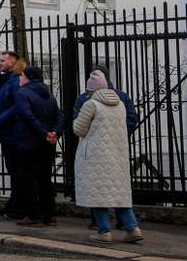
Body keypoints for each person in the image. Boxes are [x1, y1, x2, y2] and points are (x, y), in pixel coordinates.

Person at [74, 72, 144, 244]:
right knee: (118, 192)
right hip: (117, 155)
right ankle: (132, 227)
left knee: (97, 193)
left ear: (91, 90)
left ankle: (104, 231)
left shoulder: (91, 104)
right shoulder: (119, 104)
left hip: (96, 156)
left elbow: (78, 129)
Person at [13, 67, 62, 228]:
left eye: (22, 75)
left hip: (28, 142)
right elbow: (59, 117)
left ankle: (34, 215)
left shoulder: (22, 94)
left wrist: (43, 133)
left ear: (29, 78)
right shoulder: (49, 95)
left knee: (28, 179)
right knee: (45, 178)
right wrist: (54, 133)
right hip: (47, 144)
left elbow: (28, 116)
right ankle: (50, 215)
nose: (20, 78)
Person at [0, 50, 27, 220]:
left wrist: (1, 119)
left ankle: (18, 206)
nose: (0, 63)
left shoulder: (15, 80)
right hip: (7, 131)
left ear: (13, 62)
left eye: (3, 60)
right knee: (13, 170)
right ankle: (14, 202)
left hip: (12, 131)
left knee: (17, 170)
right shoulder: (8, 79)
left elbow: (15, 104)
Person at [72, 65, 138, 134]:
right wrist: (120, 133)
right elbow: (132, 119)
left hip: (94, 141)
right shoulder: (122, 98)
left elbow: (78, 126)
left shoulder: (84, 99)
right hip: (119, 142)